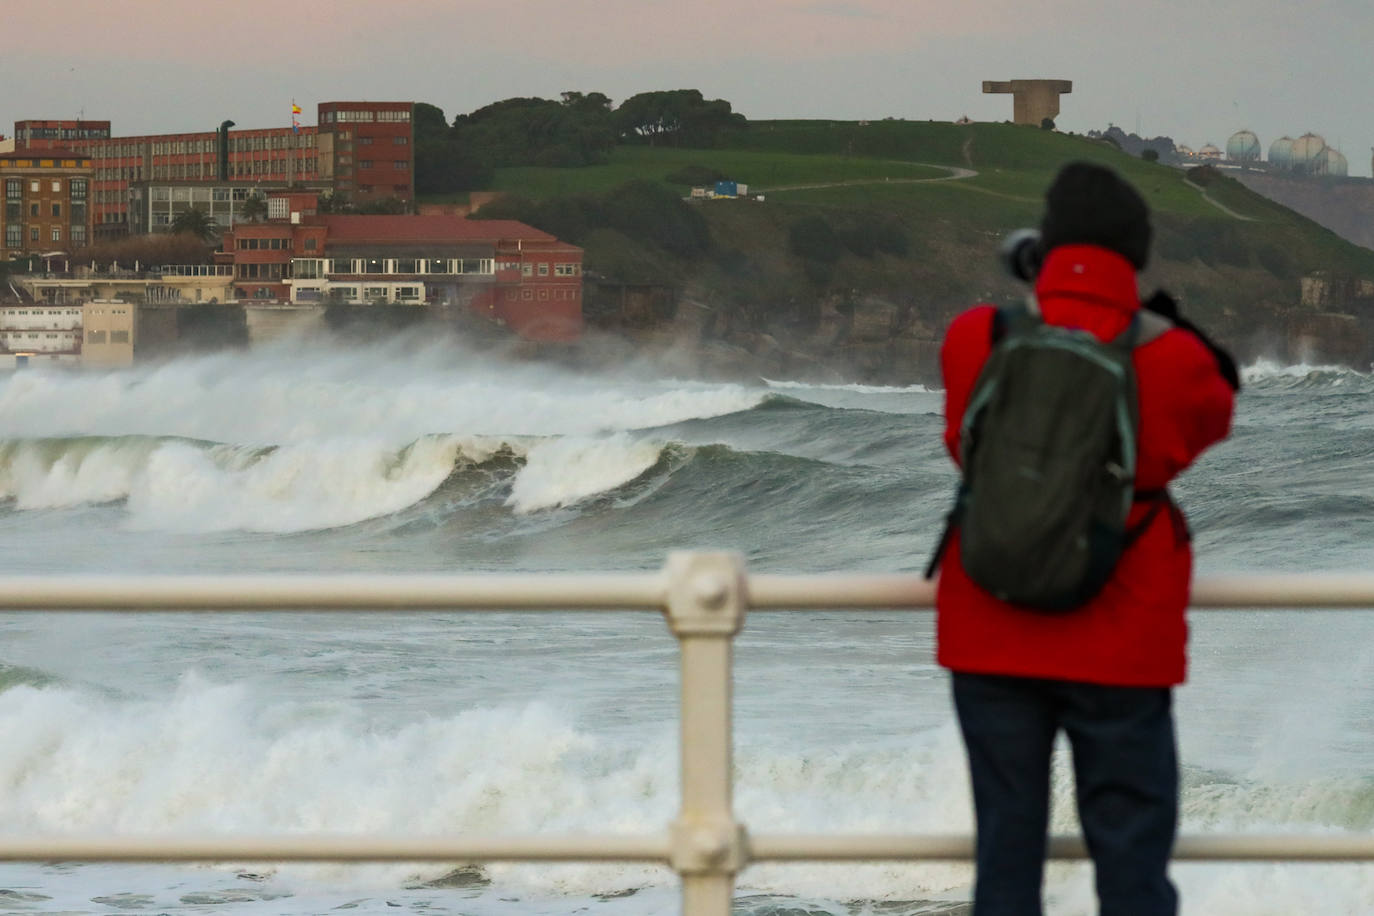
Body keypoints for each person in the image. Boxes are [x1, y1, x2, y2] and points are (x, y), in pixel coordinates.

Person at [934, 162, 1237, 915]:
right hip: (1122, 639)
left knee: (1006, 857)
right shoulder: (1174, 357)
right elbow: (1212, 416)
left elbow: (963, 446)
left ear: (1048, 241)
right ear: (1135, 256)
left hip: (990, 631)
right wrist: (1170, 322)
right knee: (1131, 862)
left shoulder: (978, 337)